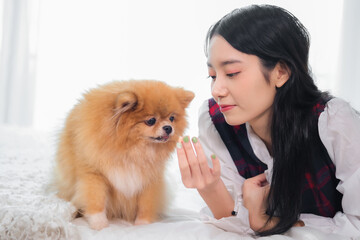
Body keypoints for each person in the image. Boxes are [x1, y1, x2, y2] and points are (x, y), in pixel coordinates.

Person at [176, 4, 360, 238]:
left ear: (280, 72)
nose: (217, 90)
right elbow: (236, 224)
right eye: (212, 76)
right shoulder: (215, 121)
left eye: (231, 73)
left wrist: (269, 223)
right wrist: (210, 188)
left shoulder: (333, 121)